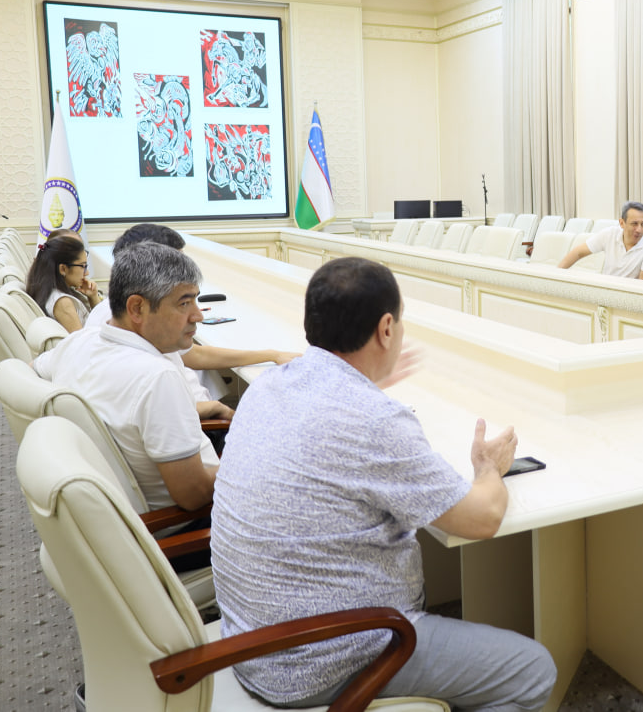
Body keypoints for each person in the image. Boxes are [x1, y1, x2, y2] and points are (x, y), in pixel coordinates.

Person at [211, 257, 556, 710]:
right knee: (532, 670)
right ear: (387, 328)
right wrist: (489, 467)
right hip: (325, 657)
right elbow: (483, 519)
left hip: (251, 638)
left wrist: (369, 383)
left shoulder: (268, 385)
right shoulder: (372, 419)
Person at [33, 241, 218, 512]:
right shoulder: (157, 378)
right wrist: (246, 466)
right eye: (184, 303)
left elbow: (29, 369)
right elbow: (194, 494)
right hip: (188, 528)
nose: (198, 315)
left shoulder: (80, 341)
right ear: (137, 308)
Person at [84, 223, 300, 419]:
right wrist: (215, 408)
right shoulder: (146, 356)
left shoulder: (118, 319)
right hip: (207, 425)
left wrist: (271, 355)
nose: (198, 316)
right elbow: (195, 359)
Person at [557, 201, 643, 280]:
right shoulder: (610, 234)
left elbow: (642, 287)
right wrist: (556, 275)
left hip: (631, 297)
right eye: (634, 224)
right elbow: (578, 252)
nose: (639, 229)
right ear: (622, 223)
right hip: (606, 290)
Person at [25, 233, 103, 332]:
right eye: (83, 266)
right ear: (63, 269)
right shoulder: (62, 303)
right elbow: (80, 342)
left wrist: (93, 297)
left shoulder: (49, 291)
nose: (86, 273)